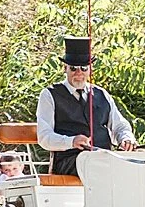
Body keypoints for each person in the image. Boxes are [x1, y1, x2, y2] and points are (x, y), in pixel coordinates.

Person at [35, 36, 137, 177]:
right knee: (98, 166)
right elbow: (44, 137)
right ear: (65, 69)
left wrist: (126, 139)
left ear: (90, 69)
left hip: (104, 158)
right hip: (70, 161)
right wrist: (71, 141)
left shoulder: (102, 94)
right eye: (73, 68)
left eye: (84, 68)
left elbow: (120, 126)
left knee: (138, 163)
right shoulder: (50, 95)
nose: (79, 73)